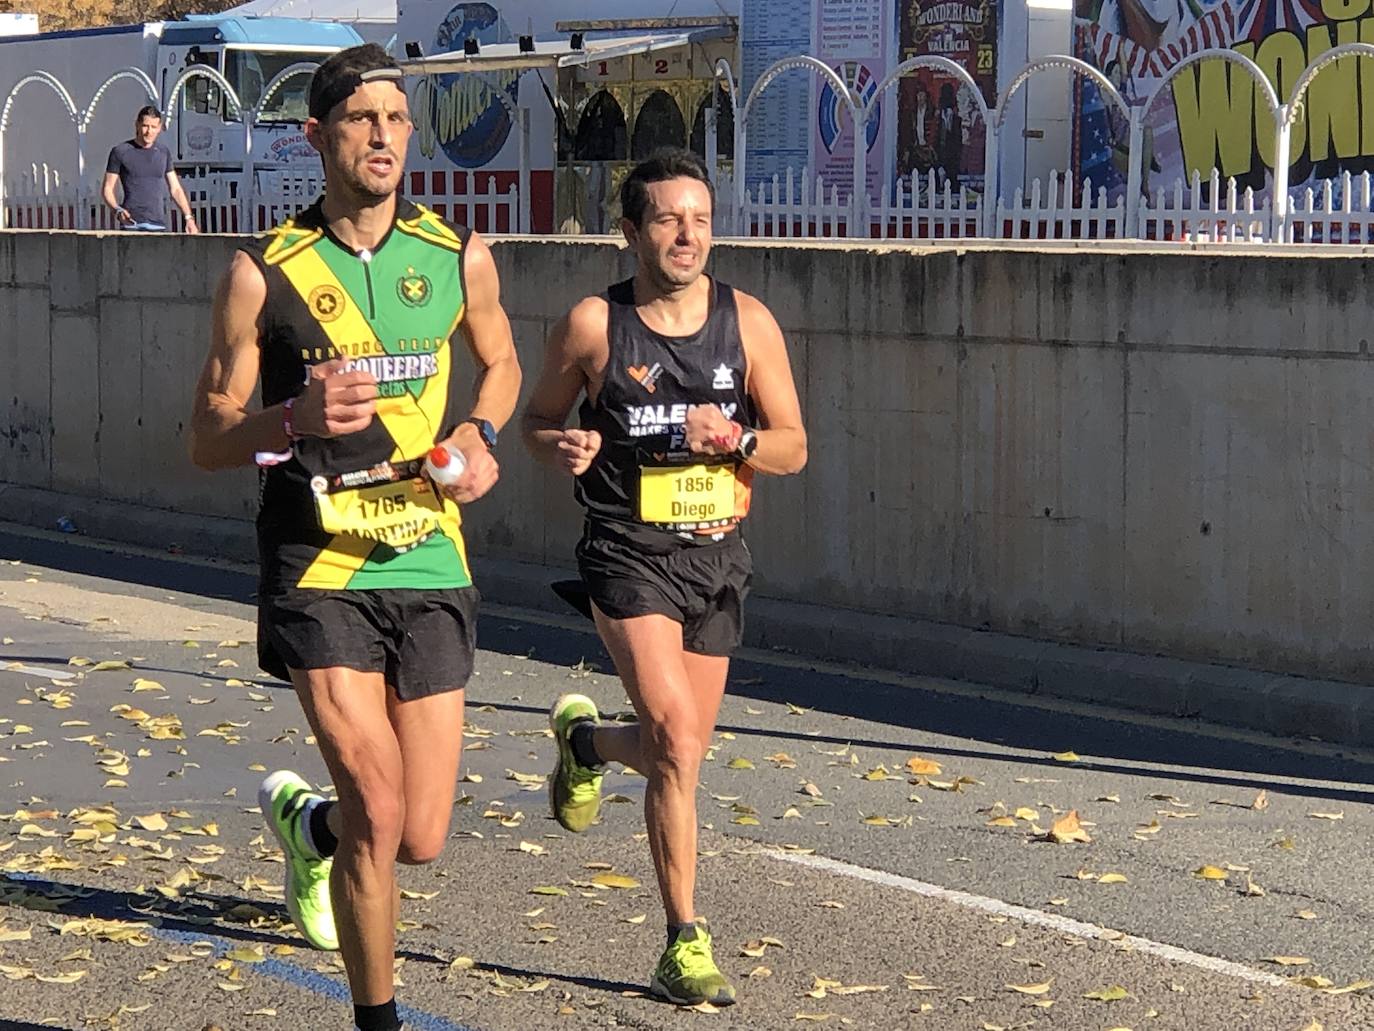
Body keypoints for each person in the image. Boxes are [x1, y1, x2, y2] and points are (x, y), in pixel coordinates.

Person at [187, 44, 520, 1031]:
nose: (383, 136)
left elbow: (500, 363)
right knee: (379, 804)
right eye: (361, 119)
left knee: (417, 833)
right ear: (317, 136)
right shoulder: (264, 271)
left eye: (396, 119)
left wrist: (479, 434)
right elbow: (206, 435)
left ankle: (309, 826)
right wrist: (288, 421)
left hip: (428, 552)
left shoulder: (457, 254)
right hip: (318, 562)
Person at [521, 147, 807, 1008]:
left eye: (701, 220)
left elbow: (793, 444)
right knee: (677, 737)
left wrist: (744, 443)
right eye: (668, 219)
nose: (688, 235)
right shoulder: (592, 326)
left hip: (716, 559)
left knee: (677, 751)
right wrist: (558, 443)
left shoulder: (748, 322)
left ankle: (588, 744)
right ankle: (683, 939)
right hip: (626, 549)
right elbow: (535, 420)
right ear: (631, 231)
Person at [102, 106, 199, 232]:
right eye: (145, 126)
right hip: (131, 224)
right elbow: (107, 188)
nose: (149, 131)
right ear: (137, 125)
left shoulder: (163, 152)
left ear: (159, 128)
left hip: (157, 225)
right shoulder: (121, 152)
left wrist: (188, 218)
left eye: (153, 127)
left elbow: (176, 189)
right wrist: (117, 210)